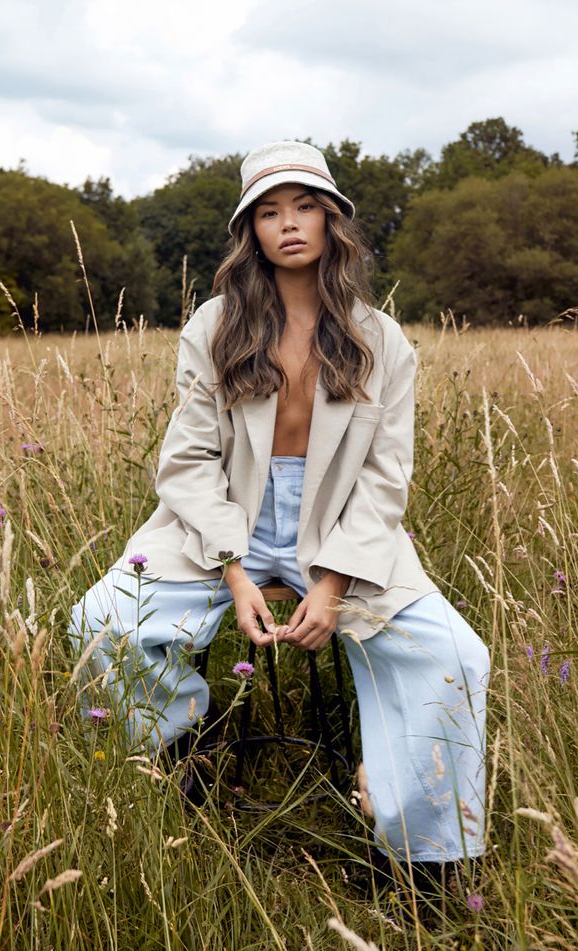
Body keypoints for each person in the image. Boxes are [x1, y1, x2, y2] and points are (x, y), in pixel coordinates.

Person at [68, 140, 490, 892]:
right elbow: (188, 463)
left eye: (303, 207)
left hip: (342, 530)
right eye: (268, 212)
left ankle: (421, 864)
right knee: (104, 620)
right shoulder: (214, 326)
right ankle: (186, 764)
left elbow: (385, 475)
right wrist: (232, 569)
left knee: (452, 654)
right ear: (249, 231)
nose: (288, 224)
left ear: (331, 222)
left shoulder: (379, 337)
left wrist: (329, 585)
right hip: (219, 522)